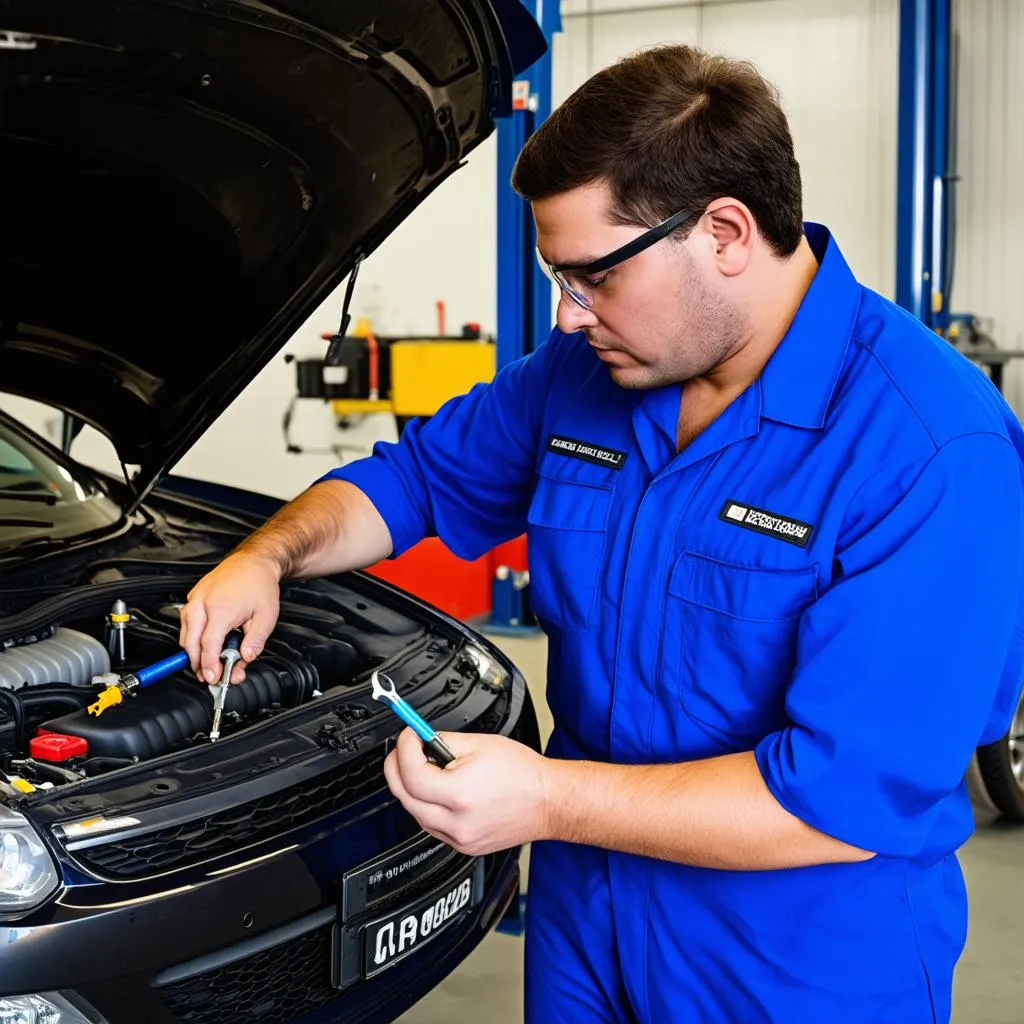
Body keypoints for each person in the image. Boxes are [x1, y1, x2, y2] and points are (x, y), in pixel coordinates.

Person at [179, 43, 1024, 1024]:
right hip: (587, 919)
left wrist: (545, 801)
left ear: (724, 232)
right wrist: (264, 554)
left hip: (793, 958)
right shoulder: (583, 378)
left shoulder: (927, 447)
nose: (568, 316)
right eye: (555, 277)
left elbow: (834, 797)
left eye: (591, 277)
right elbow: (409, 482)